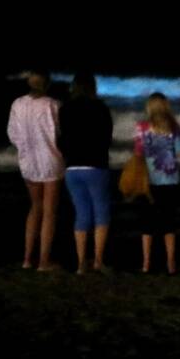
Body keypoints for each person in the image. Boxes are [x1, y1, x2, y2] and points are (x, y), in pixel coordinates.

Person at [7, 69, 65, 271]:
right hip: (51, 160)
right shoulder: (53, 105)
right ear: (47, 84)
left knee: (35, 207)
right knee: (49, 212)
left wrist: (24, 147)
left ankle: (26, 259)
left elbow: (12, 134)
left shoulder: (18, 104)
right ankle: (43, 261)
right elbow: (60, 132)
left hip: (28, 161)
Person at [58, 72, 116, 273]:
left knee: (81, 213)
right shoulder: (100, 108)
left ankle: (81, 263)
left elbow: (62, 137)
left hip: (72, 167)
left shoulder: (65, 109)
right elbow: (107, 136)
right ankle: (98, 261)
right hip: (96, 164)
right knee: (101, 212)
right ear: (93, 87)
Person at [134, 93, 180, 274]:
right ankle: (171, 263)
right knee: (169, 224)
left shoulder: (142, 127)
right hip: (170, 180)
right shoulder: (174, 127)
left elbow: (138, 152)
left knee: (147, 224)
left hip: (148, 181)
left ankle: (146, 264)